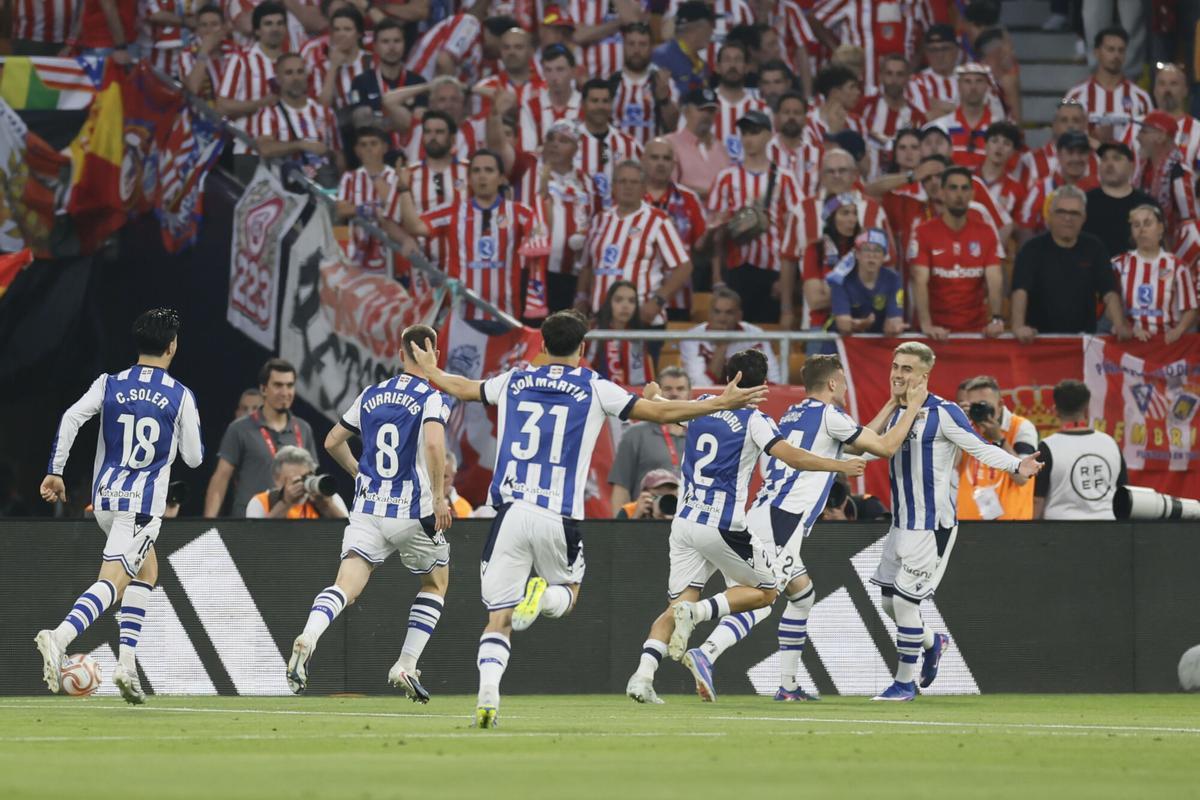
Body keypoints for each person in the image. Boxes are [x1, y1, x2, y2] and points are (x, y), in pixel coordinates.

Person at [406, 309, 769, 728]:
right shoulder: (595, 386)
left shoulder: (516, 379)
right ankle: (542, 598)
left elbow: (463, 388)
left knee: (498, 617)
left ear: (541, 345)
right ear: (582, 348)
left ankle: (488, 695)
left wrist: (430, 368)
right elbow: (660, 414)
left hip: (509, 512)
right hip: (557, 514)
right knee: (570, 591)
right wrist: (723, 402)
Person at [624, 349, 866, 705]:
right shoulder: (757, 421)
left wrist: (654, 394)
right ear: (764, 386)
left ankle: (642, 677)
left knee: (674, 607)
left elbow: (658, 405)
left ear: (727, 378)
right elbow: (793, 457)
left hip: (685, 525)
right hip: (723, 527)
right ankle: (701, 613)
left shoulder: (703, 405)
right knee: (766, 593)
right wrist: (838, 465)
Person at [684, 354, 927, 702]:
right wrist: (910, 407)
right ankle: (706, 651)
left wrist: (891, 403)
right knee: (762, 601)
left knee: (802, 595)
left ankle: (788, 686)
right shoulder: (831, 417)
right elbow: (885, 447)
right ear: (832, 383)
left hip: (766, 512)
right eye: (842, 379)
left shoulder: (797, 413)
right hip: (783, 521)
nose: (844, 384)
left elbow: (860, 440)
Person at [35, 309, 203, 704]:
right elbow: (194, 458)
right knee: (113, 582)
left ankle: (127, 666)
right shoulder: (179, 395)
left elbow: (72, 417)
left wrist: (55, 471)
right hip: (141, 507)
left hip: (106, 499)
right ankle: (59, 637)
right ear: (172, 345)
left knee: (148, 572)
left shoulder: (109, 383)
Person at [864, 341, 1043, 702]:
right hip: (901, 523)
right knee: (887, 602)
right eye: (895, 367)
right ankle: (934, 643)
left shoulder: (944, 412)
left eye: (907, 369)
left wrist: (1016, 465)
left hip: (932, 524)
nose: (898, 374)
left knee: (904, 603)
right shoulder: (897, 413)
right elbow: (866, 443)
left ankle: (903, 683)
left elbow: (979, 446)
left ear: (924, 376)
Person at [287, 325, 452, 703]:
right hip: (412, 511)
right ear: (434, 355)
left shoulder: (371, 393)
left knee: (345, 585)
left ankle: (309, 636)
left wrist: (358, 472)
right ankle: (405, 664)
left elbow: (332, 441)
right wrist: (440, 497)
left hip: (367, 508)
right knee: (435, 584)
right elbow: (431, 441)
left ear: (400, 355)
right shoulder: (432, 396)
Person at [389, 149, 542, 324]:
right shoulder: (453, 212)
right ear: (469, 179)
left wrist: (544, 200)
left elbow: (541, 237)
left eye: (489, 170)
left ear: (501, 178)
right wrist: (403, 188)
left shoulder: (520, 213)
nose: (482, 176)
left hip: (505, 315)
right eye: (476, 171)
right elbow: (414, 226)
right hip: (461, 316)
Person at [707, 110, 801, 323]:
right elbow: (716, 233)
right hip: (736, 268)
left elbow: (795, 228)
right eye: (745, 133)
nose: (749, 139)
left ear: (769, 135)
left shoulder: (785, 178)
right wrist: (717, 278)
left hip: (774, 269)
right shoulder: (726, 177)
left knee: (766, 336)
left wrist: (788, 281)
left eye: (755, 132)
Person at [575, 160, 693, 327]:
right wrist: (581, 297)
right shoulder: (599, 220)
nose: (627, 187)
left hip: (642, 320)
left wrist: (657, 301)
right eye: (622, 181)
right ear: (614, 187)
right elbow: (587, 265)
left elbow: (684, 267)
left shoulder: (657, 220)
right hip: (601, 320)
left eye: (634, 182)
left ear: (643, 187)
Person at [1011, 185, 1131, 342]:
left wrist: (1119, 324)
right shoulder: (1031, 249)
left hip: (1084, 342)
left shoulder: (1094, 247)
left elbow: (1109, 291)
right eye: (1061, 212)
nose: (1068, 218)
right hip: (1037, 341)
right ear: (1050, 215)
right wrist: (1018, 326)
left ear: (1084, 217)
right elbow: (1020, 290)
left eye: (1075, 213)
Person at [205, 358, 319, 518]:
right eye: (278, 385)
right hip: (249, 525)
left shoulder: (303, 429)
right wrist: (208, 524)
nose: (285, 392)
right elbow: (221, 478)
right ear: (263, 389)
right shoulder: (239, 428)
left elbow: (312, 477)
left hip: (294, 524)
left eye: (290, 385)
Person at [910, 166, 1004, 339]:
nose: (959, 194)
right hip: (935, 332)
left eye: (964, 188)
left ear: (972, 194)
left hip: (975, 331)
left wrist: (996, 319)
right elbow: (919, 279)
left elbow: (994, 278)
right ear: (942, 193)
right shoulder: (923, 232)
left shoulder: (986, 232)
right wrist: (926, 324)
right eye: (953, 188)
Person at [1035, 379, 1127, 520]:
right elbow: (1124, 494)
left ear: (1055, 410)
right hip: (1109, 528)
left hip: (1060, 531)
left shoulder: (1046, 447)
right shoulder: (1110, 443)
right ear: (1087, 409)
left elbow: (1037, 500)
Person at [608, 366, 692, 514]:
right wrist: (619, 530)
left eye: (680, 389)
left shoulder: (698, 437)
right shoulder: (635, 434)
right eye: (668, 388)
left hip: (687, 525)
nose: (674, 394)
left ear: (689, 394)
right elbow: (621, 488)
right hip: (645, 524)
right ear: (657, 393)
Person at [1111, 204, 1199, 343]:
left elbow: (1191, 308)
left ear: (1161, 228)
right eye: (1136, 225)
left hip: (1166, 347)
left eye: (1147, 223)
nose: (1141, 230)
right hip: (1129, 344)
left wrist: (1179, 330)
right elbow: (1109, 303)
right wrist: (1124, 326)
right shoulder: (1118, 264)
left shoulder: (1178, 267)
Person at [956, 376, 1038, 521]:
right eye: (973, 406)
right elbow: (950, 465)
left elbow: (1023, 477)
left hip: (1011, 528)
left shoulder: (1020, 427)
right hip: (967, 526)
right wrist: (957, 425)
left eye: (983, 405)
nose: (979, 411)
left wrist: (999, 439)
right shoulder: (965, 428)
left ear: (1000, 405)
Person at [254, 53, 345, 183]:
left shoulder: (325, 112)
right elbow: (265, 148)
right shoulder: (269, 114)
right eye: (289, 73)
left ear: (306, 76)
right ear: (278, 79)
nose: (295, 78)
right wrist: (302, 145)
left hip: (323, 189)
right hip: (288, 191)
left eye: (300, 72)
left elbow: (338, 155)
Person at [218, 2, 289, 158]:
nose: (275, 29)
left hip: (288, 150)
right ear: (257, 31)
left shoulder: (293, 62)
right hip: (249, 149)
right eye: (268, 24)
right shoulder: (241, 59)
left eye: (280, 23)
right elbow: (222, 106)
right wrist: (261, 103)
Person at [1064, 26, 1152, 146]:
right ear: (1096, 53)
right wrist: (1095, 138)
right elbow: (1064, 135)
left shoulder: (1141, 97)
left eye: (1121, 50)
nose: (1116, 55)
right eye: (1110, 49)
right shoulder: (1074, 95)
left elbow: (1151, 138)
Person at [680, 287, 783, 386]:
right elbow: (699, 385)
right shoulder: (692, 337)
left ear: (739, 316)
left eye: (729, 313)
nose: (722, 318)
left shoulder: (755, 335)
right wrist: (722, 346)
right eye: (717, 312)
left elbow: (774, 379)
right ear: (710, 314)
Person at [575, 79, 644, 213]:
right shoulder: (570, 141)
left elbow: (644, 183)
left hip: (616, 224)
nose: (600, 106)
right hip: (579, 222)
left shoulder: (629, 144)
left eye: (605, 101)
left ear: (612, 104)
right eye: (594, 101)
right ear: (583, 104)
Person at [1018, 130, 1100, 241]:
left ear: (1088, 156)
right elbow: (1025, 228)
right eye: (1070, 152)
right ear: (1059, 154)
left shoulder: (1098, 187)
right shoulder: (1041, 188)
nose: (1076, 159)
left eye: (1081, 153)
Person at [336, 127, 398, 273]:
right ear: (357, 150)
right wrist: (364, 209)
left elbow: (394, 205)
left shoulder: (396, 175)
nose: (368, 149)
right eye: (363, 145)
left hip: (389, 251)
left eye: (373, 143)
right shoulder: (349, 177)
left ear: (384, 147)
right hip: (356, 252)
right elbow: (340, 210)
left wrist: (374, 173)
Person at [610, 22, 681, 149]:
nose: (636, 50)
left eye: (642, 44)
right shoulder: (611, 82)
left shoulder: (663, 81)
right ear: (623, 46)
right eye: (631, 44)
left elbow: (673, 126)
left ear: (651, 47)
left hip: (652, 161)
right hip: (617, 158)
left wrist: (664, 100)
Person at [1132, 111, 1197, 240]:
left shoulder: (1179, 173)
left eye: (1143, 132)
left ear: (1161, 137)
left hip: (1170, 247)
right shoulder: (1143, 170)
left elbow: (1189, 225)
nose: (1137, 138)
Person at [1083, 141, 1154, 259]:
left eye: (1117, 158)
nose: (1109, 164)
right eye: (1104, 159)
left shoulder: (1146, 204)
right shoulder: (1084, 202)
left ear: (1131, 167)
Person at [829, 229, 906, 336]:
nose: (872, 255)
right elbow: (843, 325)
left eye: (877, 250)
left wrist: (894, 326)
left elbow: (895, 318)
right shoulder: (840, 279)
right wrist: (861, 325)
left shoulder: (893, 279)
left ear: (884, 256)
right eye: (866, 249)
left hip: (876, 344)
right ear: (857, 254)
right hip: (840, 343)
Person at [929, 63, 1001, 170]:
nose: (973, 87)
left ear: (987, 86)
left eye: (979, 81)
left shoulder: (999, 128)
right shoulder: (940, 127)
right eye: (967, 81)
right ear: (958, 85)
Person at [245, 446, 349, 519]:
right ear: (276, 479)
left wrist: (327, 506)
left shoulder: (328, 497)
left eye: (305, 478)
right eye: (293, 480)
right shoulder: (261, 501)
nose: (300, 484)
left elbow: (350, 535)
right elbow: (256, 539)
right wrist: (286, 503)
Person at [665, 88, 732, 201]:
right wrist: (711, 194)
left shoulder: (721, 149)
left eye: (711, 111)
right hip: (684, 214)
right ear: (686, 111)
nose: (706, 116)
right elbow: (669, 188)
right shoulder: (670, 144)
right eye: (701, 109)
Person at [587, 280, 653, 387]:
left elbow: (644, 383)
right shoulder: (593, 332)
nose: (625, 306)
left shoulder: (638, 337)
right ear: (609, 303)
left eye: (631, 301)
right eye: (619, 300)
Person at [651, 1, 716, 95]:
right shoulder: (662, 57)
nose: (712, 32)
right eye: (710, 27)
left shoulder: (702, 66)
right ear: (697, 29)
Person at [1152, 63, 1200, 172]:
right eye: (1162, 83)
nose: (1167, 89)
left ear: (1185, 91)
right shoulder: (1136, 126)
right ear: (1154, 90)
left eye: (1173, 84)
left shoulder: (1198, 132)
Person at [616, 469, 681, 520]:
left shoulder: (682, 512)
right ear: (644, 496)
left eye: (669, 497)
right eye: (656, 496)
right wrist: (636, 516)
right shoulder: (630, 510)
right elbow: (618, 536)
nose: (664, 502)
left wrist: (671, 522)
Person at [444, 450, 473, 518]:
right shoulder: (423, 503)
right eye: (436, 475)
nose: (439, 481)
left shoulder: (464, 508)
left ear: (453, 476)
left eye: (445, 476)